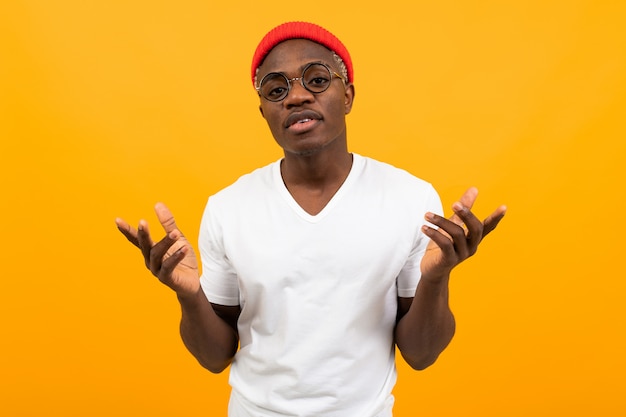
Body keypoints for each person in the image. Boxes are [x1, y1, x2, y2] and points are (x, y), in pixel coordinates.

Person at [116, 21, 506, 417]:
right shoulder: (228, 208)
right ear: (264, 111)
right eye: (276, 89)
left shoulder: (410, 199)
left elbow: (422, 354)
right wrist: (188, 294)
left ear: (348, 95)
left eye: (317, 79)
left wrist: (437, 279)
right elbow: (214, 357)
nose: (297, 96)